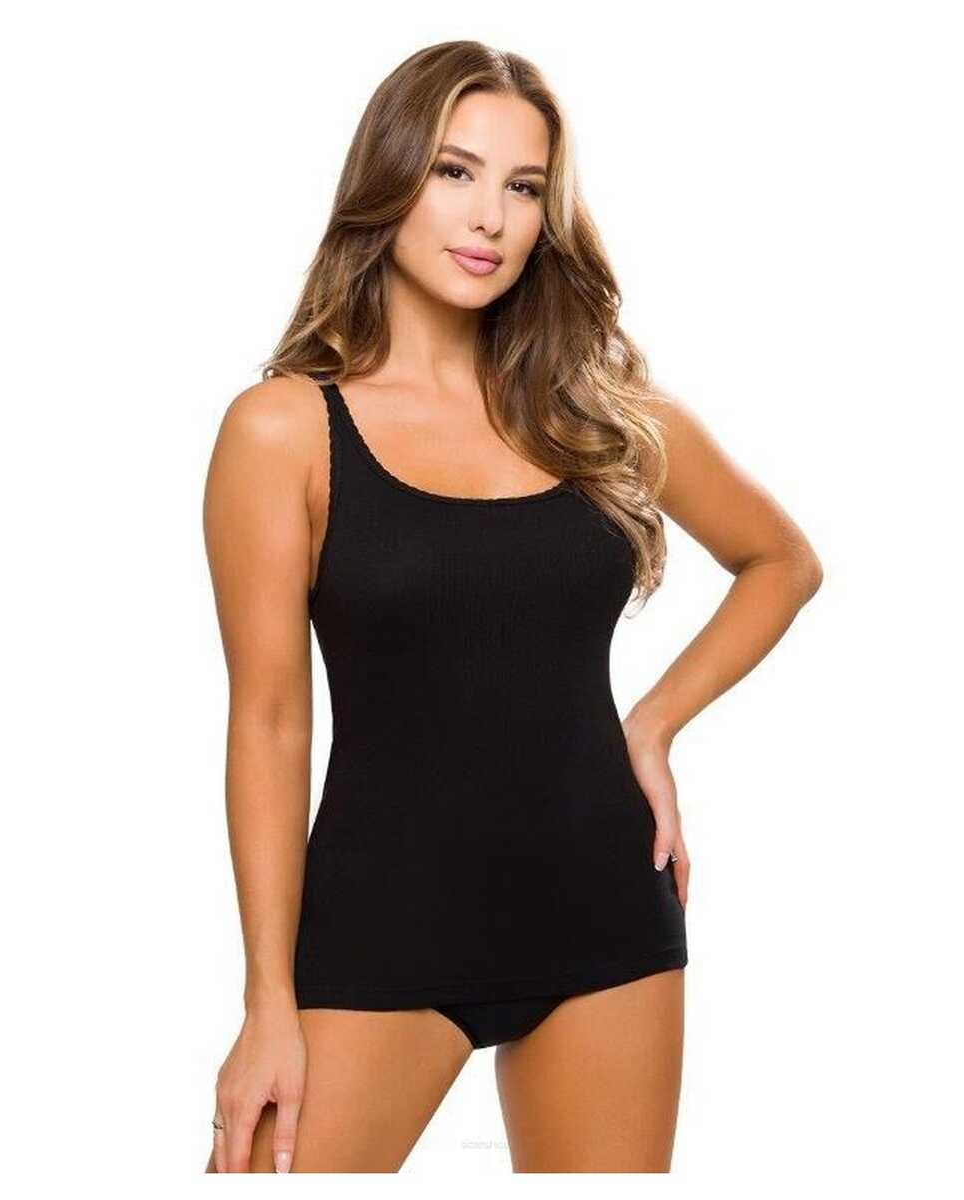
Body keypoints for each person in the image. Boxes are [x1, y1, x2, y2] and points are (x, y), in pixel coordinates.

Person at [201, 40, 822, 1174]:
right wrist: (268, 1004)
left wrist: (652, 726)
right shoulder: (283, 430)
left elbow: (780, 561)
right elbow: (271, 722)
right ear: (389, 178)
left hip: (604, 911)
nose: (489, 215)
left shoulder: (600, 413)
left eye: (524, 187)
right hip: (380, 927)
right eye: (454, 171)